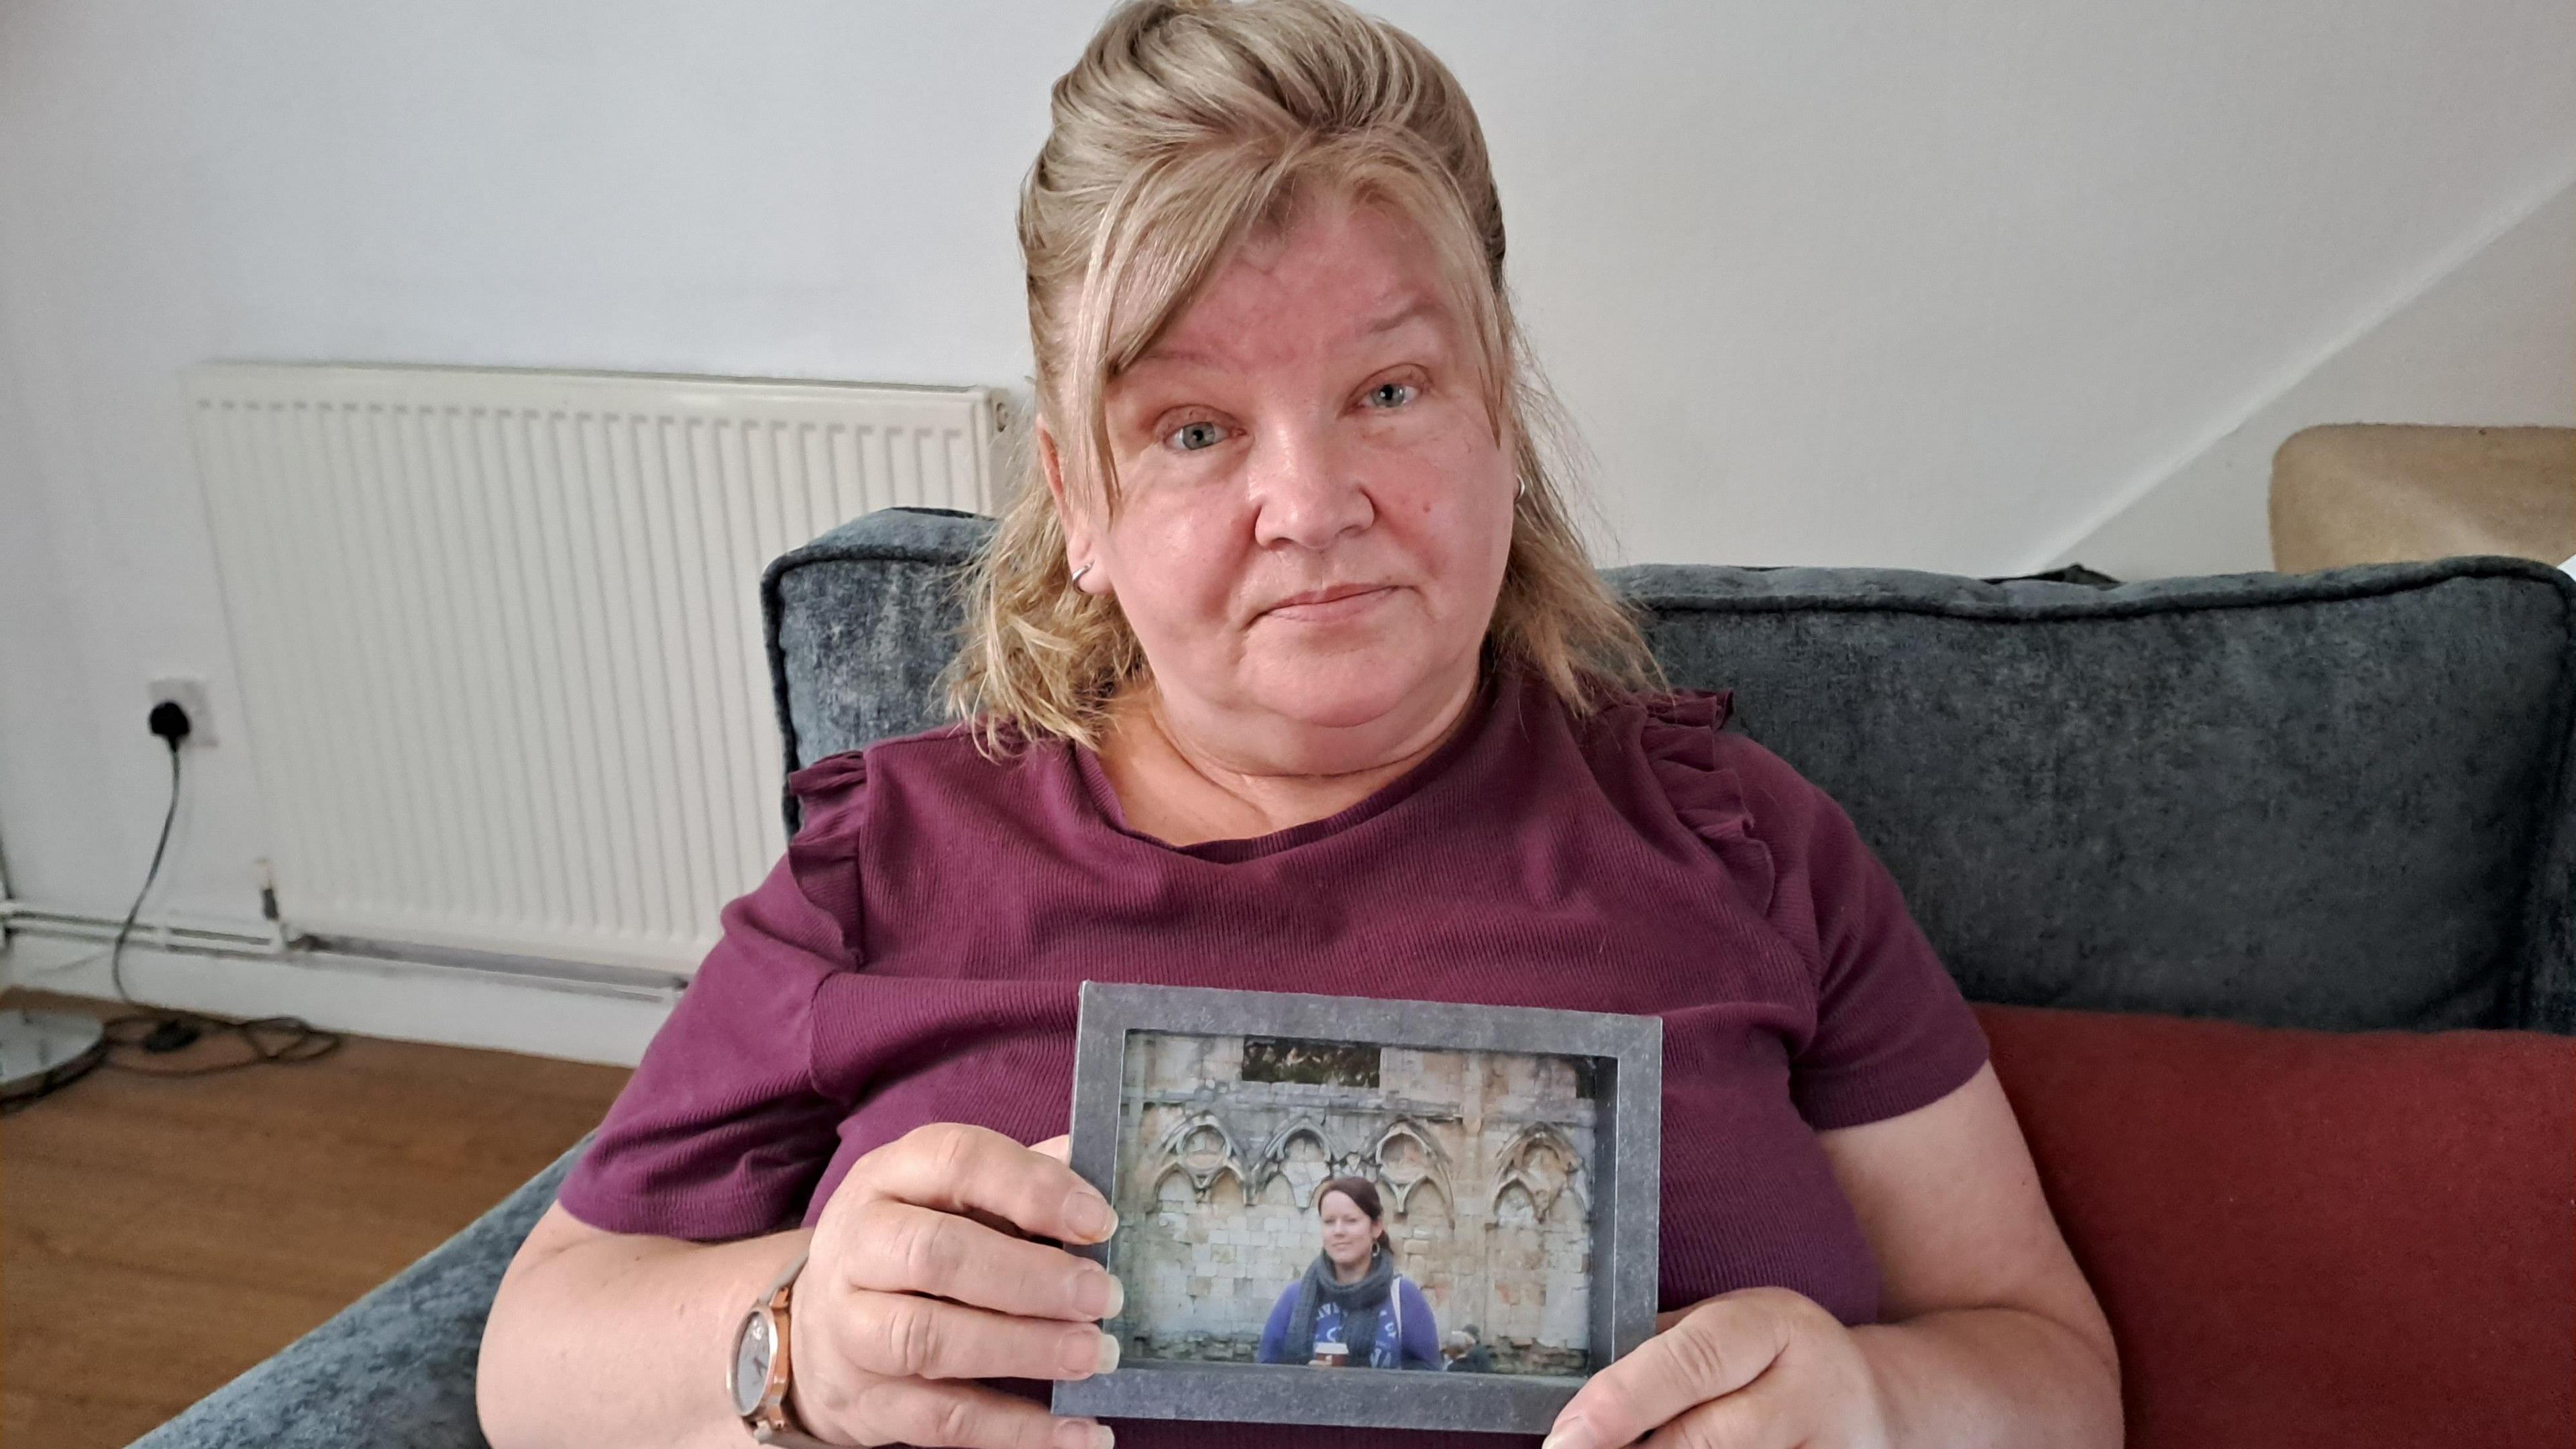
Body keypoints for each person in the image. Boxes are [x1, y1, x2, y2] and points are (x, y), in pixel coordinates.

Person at [477, 3, 2121, 1448]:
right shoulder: (885, 865)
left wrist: (1879, 1404)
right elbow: (529, 1354)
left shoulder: (1736, 836)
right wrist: (793, 1342)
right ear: (1078, 503)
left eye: (1387, 392)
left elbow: (2050, 1364)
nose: (1308, 504)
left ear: (1499, 418)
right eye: (1192, 428)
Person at [1253, 1177, 1440, 1368]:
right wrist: (1306, 1381)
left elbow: (1430, 1384)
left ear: (1375, 1227)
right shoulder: (1294, 1298)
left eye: (1351, 1221)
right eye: (1329, 1222)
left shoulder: (1404, 1298)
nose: (1338, 1231)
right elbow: (1265, 1375)